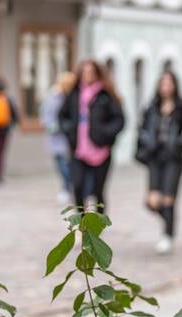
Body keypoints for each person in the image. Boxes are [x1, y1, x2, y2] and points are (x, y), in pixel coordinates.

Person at [135, 71, 182, 254]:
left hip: (174, 159)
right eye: (163, 83)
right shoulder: (152, 108)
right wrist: (144, 146)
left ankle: (167, 236)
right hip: (155, 157)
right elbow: (142, 130)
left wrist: (178, 142)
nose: (166, 87)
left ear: (175, 86)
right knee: (152, 201)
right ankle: (170, 223)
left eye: (169, 83)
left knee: (168, 199)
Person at [58, 59, 125, 211]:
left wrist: (105, 134)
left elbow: (119, 120)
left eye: (91, 72)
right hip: (78, 149)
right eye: (84, 72)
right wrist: (69, 131)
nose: (87, 75)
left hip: (101, 149)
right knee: (78, 185)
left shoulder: (106, 95)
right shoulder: (74, 94)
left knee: (98, 190)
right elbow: (62, 116)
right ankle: (81, 223)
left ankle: (98, 225)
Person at [42, 72, 76, 204]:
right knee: (61, 164)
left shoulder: (71, 97)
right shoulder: (54, 96)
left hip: (68, 136)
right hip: (56, 135)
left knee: (66, 165)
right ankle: (68, 188)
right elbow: (47, 114)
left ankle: (68, 189)